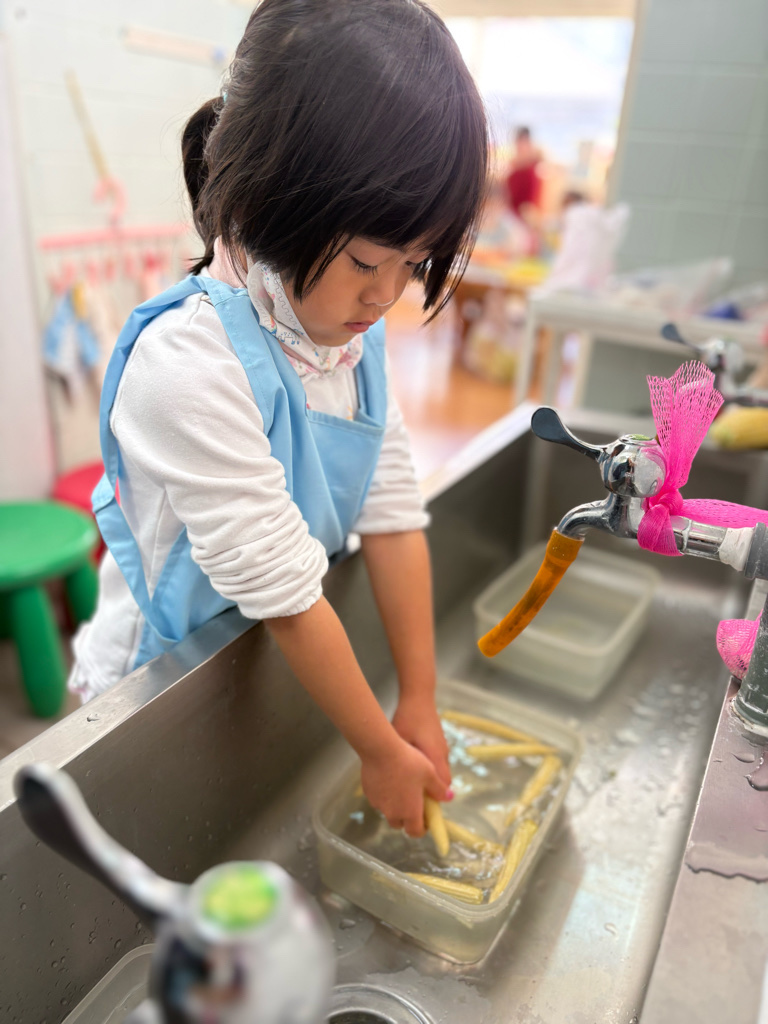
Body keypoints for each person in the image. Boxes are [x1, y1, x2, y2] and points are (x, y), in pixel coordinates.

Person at [69, 0, 488, 840]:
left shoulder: (348, 340)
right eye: (366, 260)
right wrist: (378, 747)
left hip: (262, 658)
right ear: (275, 198)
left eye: (412, 265)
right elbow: (287, 593)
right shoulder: (187, 364)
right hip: (156, 684)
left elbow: (393, 513)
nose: (386, 295)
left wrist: (418, 697)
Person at [505, 126, 542, 220]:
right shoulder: (512, 168)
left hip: (522, 218)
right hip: (510, 216)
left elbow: (529, 207)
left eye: (524, 143)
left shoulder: (533, 170)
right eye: (519, 142)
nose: (520, 147)